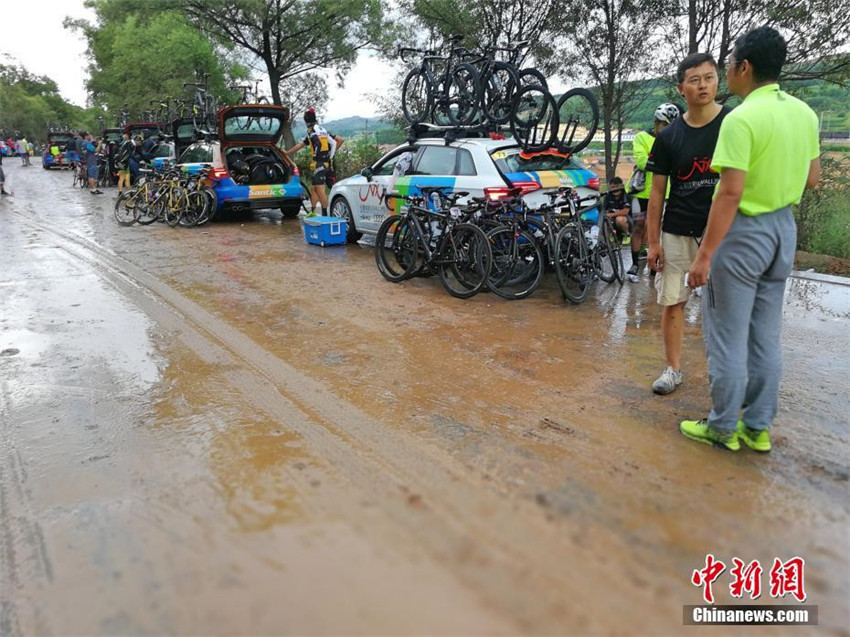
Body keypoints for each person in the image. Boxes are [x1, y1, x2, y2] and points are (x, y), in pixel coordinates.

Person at [680, 26, 820, 452]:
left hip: (743, 233)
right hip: (783, 230)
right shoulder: (805, 114)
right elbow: (812, 179)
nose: (725, 72)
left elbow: (730, 192)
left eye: (728, 64)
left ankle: (722, 427)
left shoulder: (740, 119)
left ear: (744, 66)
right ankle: (757, 428)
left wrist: (703, 257)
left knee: (726, 333)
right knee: (765, 336)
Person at [644, 52, 731, 395]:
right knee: (672, 302)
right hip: (677, 230)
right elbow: (656, 194)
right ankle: (672, 369)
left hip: (722, 232)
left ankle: (724, 377)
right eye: (694, 80)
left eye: (708, 78)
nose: (703, 86)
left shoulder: (733, 124)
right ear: (682, 89)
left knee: (725, 307)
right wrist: (654, 242)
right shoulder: (668, 138)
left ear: (718, 81)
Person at [627, 103, 680, 282]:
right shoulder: (642, 137)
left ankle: (653, 264)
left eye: (672, 126)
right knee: (638, 227)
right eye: (665, 126)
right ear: (657, 123)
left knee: (657, 230)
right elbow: (642, 161)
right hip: (640, 193)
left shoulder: (674, 139)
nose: (668, 130)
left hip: (664, 193)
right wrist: (664, 162)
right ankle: (634, 264)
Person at [286, 108, 344, 216]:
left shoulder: (312, 131)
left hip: (320, 162)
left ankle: (326, 215)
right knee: (314, 188)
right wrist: (287, 153)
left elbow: (318, 144)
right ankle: (312, 212)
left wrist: (320, 157)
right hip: (327, 163)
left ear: (306, 121)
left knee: (319, 189)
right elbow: (301, 145)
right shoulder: (321, 129)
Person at [602, 176, 631, 241]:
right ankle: (610, 236)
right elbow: (604, 209)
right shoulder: (608, 196)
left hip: (626, 219)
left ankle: (627, 234)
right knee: (604, 219)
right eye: (612, 187)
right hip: (612, 219)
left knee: (620, 219)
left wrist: (611, 215)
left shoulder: (626, 196)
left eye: (616, 187)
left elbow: (625, 211)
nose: (614, 189)